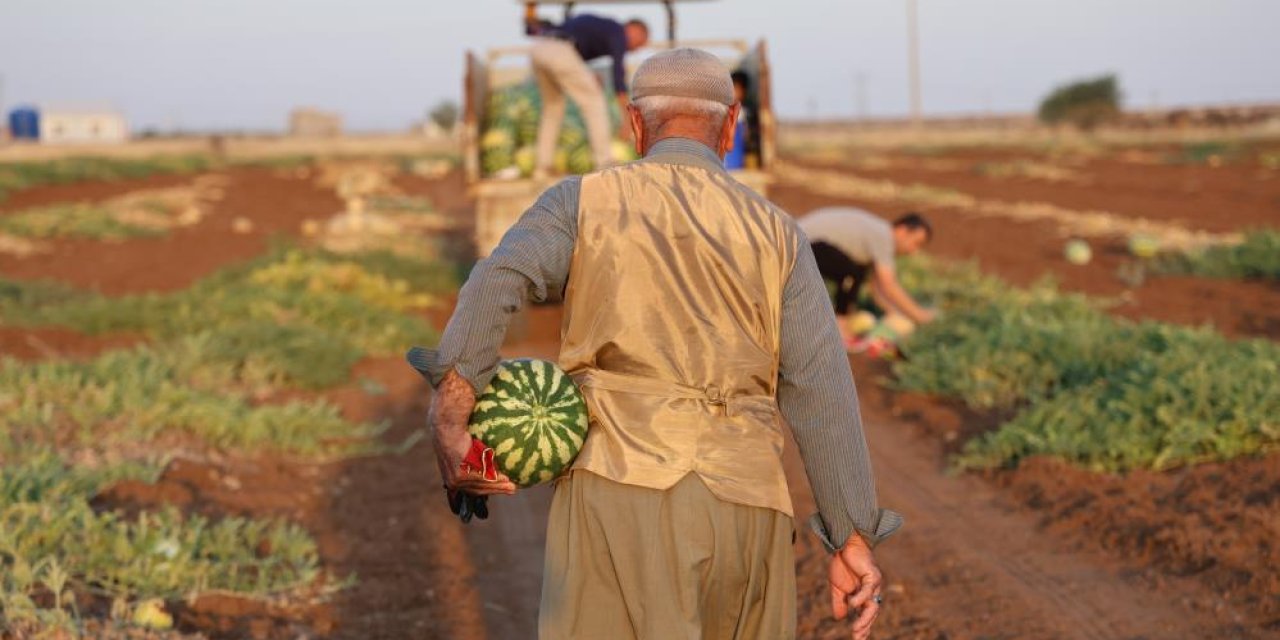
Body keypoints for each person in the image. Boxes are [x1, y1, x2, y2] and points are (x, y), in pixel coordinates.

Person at [409, 48, 900, 640]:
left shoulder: (580, 201)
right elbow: (821, 385)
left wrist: (452, 412)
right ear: (732, 125)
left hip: (618, 488)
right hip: (749, 507)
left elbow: (497, 281)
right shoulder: (780, 234)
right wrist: (851, 535)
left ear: (633, 123)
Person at [529, 14, 650, 177]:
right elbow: (618, 76)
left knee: (553, 108)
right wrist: (627, 120)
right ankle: (605, 162)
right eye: (640, 43)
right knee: (594, 101)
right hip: (560, 51)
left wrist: (590, 75)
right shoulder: (618, 31)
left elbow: (575, 51)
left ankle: (543, 167)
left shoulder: (604, 28)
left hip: (540, 48)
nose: (637, 49)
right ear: (634, 30)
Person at [799, 207, 936, 343]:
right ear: (902, 231)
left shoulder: (879, 234)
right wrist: (919, 315)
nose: (914, 251)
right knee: (851, 274)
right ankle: (840, 328)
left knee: (858, 272)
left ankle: (841, 323)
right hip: (804, 243)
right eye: (916, 243)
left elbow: (876, 288)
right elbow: (888, 285)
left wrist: (893, 313)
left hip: (806, 241)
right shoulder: (883, 237)